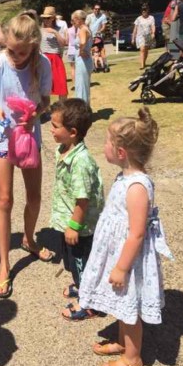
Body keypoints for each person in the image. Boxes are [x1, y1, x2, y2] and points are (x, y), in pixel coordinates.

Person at [79, 107, 173, 366]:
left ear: (121, 153)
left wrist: (121, 267)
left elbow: (137, 234)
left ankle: (133, 359)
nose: (104, 146)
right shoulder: (125, 177)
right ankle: (122, 343)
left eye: (107, 142)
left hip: (128, 260)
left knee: (131, 307)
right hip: (119, 255)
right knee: (122, 303)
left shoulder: (137, 188)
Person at [0, 14, 54, 298]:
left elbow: (46, 100)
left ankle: (29, 239)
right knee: (5, 199)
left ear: (33, 46)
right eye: (11, 50)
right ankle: (4, 265)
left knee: (35, 197)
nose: (17, 57)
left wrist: (37, 112)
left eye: (23, 52)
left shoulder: (42, 64)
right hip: (1, 136)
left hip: (28, 136)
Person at [49, 99, 104, 321]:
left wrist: (73, 226)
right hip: (69, 222)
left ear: (72, 132)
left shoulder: (80, 162)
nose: (50, 129)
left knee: (82, 263)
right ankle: (81, 284)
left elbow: (83, 200)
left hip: (79, 227)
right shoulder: (63, 149)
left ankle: (88, 303)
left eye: (54, 126)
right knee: (72, 262)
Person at [40, 6, 68, 100]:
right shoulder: (40, 29)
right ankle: (45, 111)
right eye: (44, 18)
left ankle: (63, 109)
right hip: (43, 58)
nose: (45, 20)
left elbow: (64, 43)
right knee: (44, 87)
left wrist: (55, 32)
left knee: (61, 86)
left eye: (48, 18)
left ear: (53, 18)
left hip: (55, 58)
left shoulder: (59, 28)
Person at [72, 10, 93, 104]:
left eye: (74, 20)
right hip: (86, 60)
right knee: (85, 86)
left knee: (81, 87)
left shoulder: (82, 29)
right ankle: (85, 108)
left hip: (82, 61)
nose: (73, 22)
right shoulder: (87, 28)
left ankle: (81, 111)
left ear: (78, 19)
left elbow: (83, 42)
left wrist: (81, 51)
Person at [132, 4, 155, 69]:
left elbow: (153, 26)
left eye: (145, 10)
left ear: (148, 10)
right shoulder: (138, 19)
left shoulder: (151, 18)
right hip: (140, 36)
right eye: (142, 10)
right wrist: (133, 38)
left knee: (146, 50)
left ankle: (144, 62)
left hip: (147, 36)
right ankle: (142, 65)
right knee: (142, 49)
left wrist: (153, 33)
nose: (144, 11)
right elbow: (135, 29)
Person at [86, 4, 108, 68]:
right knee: (92, 50)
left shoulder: (103, 16)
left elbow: (104, 26)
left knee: (101, 49)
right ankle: (92, 64)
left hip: (99, 36)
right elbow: (86, 25)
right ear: (93, 9)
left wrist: (100, 31)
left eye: (98, 9)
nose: (97, 10)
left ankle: (104, 64)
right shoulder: (89, 16)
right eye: (96, 9)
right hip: (90, 36)